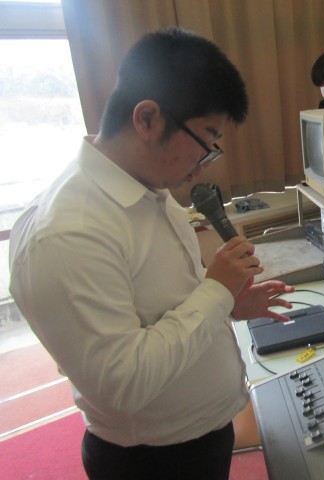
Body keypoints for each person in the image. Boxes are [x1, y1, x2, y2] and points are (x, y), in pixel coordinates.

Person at [8, 28, 295, 480]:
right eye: (206, 140)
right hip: (153, 461)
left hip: (202, 435)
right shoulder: (66, 233)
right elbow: (123, 384)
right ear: (147, 119)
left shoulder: (150, 190)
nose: (205, 163)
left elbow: (167, 307)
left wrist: (228, 306)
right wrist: (217, 290)